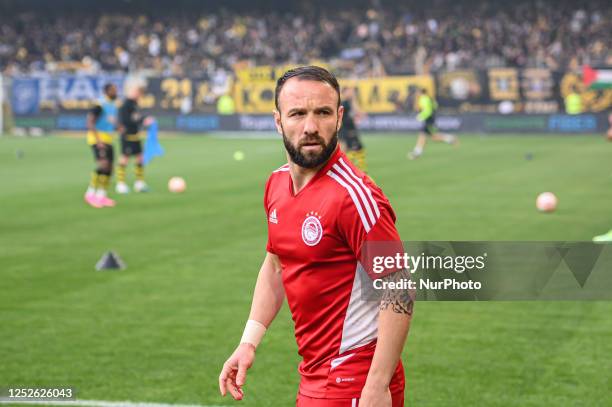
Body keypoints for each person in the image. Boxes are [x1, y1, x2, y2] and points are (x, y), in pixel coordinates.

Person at [218, 66, 413, 407]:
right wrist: (249, 342)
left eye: (322, 113)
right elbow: (277, 266)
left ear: (339, 118)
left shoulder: (354, 196)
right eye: (297, 114)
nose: (310, 127)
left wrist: (377, 385)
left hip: (353, 377)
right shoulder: (276, 184)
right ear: (278, 121)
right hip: (315, 373)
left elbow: (398, 286)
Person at [84, 83, 118, 208]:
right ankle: (90, 194)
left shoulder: (113, 105)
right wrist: (98, 141)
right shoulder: (100, 104)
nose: (116, 92)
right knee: (103, 164)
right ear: (107, 91)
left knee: (110, 168)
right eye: (113, 90)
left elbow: (109, 122)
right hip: (98, 139)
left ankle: (101, 195)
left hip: (108, 139)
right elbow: (90, 121)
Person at [116, 85, 152, 194]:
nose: (139, 95)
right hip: (127, 136)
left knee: (140, 158)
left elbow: (137, 117)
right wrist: (140, 120)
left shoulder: (134, 104)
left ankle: (139, 183)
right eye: (137, 92)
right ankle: (120, 184)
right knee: (124, 158)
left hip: (135, 135)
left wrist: (143, 120)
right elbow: (126, 120)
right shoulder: (125, 104)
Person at [408, 87, 457, 160]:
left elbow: (428, 110)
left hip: (429, 120)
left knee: (423, 135)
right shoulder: (429, 98)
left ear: (420, 93)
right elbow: (435, 106)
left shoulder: (423, 99)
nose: (416, 94)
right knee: (432, 137)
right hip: (431, 119)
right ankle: (449, 138)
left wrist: (420, 116)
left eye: (417, 92)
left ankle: (417, 152)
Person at [339, 86, 368, 172]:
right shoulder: (344, 103)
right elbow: (358, 112)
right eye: (349, 91)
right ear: (344, 93)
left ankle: (355, 169)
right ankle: (352, 169)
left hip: (349, 130)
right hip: (346, 130)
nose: (351, 93)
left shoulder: (348, 103)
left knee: (353, 150)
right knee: (350, 150)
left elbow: (359, 114)